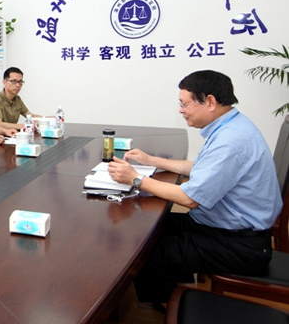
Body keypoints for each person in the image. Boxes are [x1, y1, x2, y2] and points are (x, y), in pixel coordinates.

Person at [107, 70, 283, 307]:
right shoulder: (232, 125)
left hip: (238, 245)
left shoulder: (230, 142)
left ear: (210, 102)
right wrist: (151, 160)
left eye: (185, 104)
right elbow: (201, 168)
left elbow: (190, 198)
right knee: (146, 229)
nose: (181, 110)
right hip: (221, 226)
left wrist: (135, 179)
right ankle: (181, 285)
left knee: (145, 252)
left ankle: (174, 307)